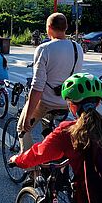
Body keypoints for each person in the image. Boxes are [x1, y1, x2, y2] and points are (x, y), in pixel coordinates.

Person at [10, 72, 102, 203]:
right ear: (99, 102)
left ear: (71, 105)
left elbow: (38, 154)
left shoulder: (68, 131)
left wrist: (18, 160)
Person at [18, 13, 83, 153]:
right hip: (68, 103)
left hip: (47, 102)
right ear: (66, 27)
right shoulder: (78, 48)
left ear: (49, 28)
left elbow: (37, 87)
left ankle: (32, 170)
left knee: (22, 128)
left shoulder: (44, 49)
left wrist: (28, 117)